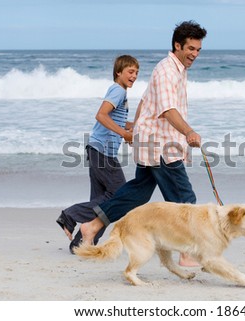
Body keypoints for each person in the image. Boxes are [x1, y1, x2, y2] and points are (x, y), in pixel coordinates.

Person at [78, 20, 207, 267]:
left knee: (138, 191)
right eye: (190, 48)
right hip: (160, 145)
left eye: (198, 50)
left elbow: (146, 102)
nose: (194, 54)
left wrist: (136, 130)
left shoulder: (173, 69)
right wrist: (189, 131)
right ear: (177, 45)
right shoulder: (168, 71)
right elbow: (168, 110)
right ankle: (187, 253)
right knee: (183, 197)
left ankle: (92, 226)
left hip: (151, 141)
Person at [56, 55, 139, 252]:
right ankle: (70, 215)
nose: (134, 76)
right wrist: (124, 134)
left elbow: (117, 121)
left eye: (136, 72)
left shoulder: (120, 93)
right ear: (118, 72)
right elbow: (101, 115)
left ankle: (80, 244)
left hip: (97, 150)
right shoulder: (118, 91)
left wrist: (136, 126)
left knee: (100, 201)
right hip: (103, 151)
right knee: (119, 195)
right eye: (130, 71)